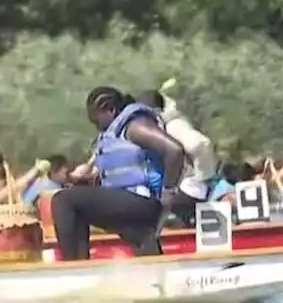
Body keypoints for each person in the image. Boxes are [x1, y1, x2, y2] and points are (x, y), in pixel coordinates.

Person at [50, 87, 185, 259]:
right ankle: (154, 267)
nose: (97, 127)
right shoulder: (115, 134)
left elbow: (174, 150)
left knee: (63, 200)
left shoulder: (135, 126)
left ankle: (73, 268)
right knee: (79, 210)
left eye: (96, 121)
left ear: (109, 108)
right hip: (127, 204)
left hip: (142, 203)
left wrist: (168, 194)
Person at [139, 88, 216, 227]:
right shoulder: (160, 127)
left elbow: (200, 144)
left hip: (186, 191)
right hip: (177, 191)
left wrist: (200, 178)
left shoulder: (174, 126)